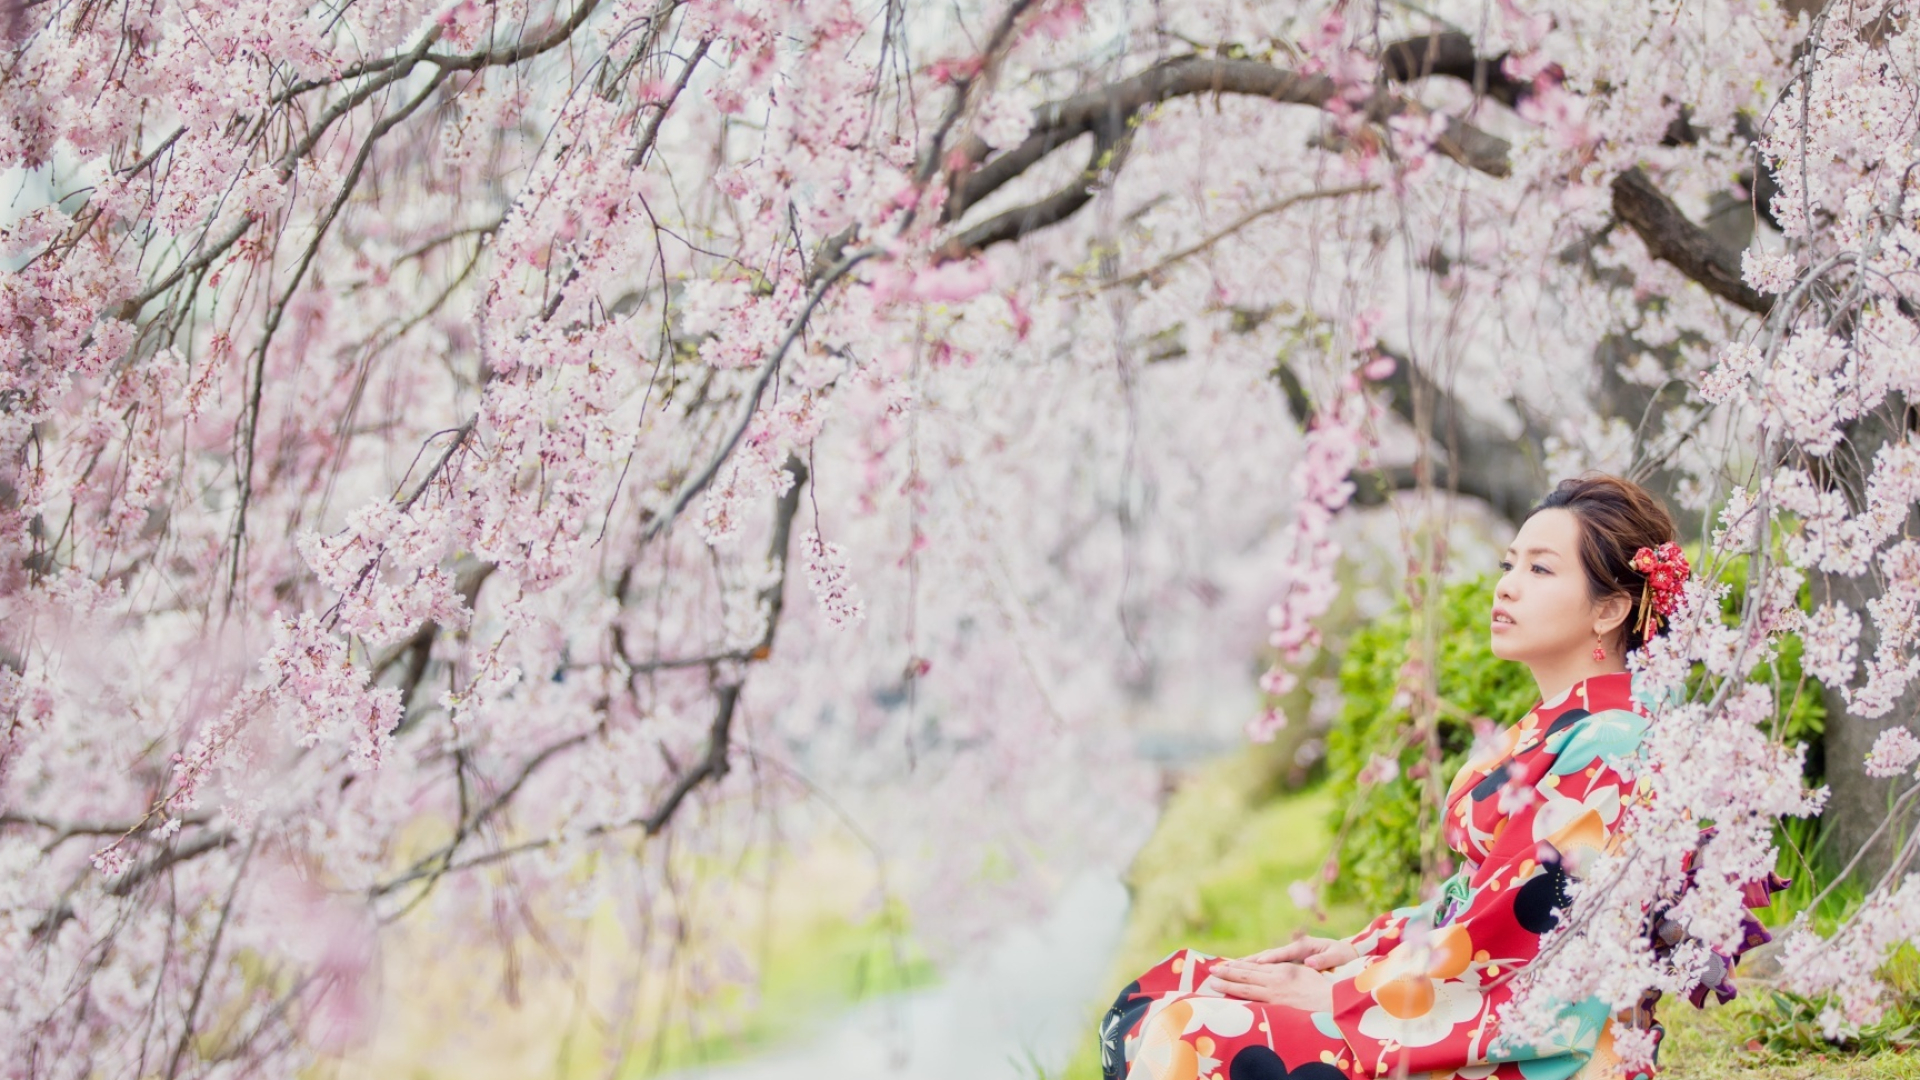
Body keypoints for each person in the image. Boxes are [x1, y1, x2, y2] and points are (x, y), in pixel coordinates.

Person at [1097, 475, 1782, 1080]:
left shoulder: (1613, 744)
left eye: (1541, 571)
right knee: (1159, 996)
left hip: (1540, 1046)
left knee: (1188, 1030)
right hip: (1466, 1001)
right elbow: (1477, 904)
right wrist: (1359, 950)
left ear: (1609, 608)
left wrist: (1347, 996)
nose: (1506, 584)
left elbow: (1514, 934)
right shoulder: (1562, 726)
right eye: (1508, 563)